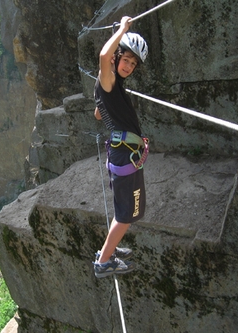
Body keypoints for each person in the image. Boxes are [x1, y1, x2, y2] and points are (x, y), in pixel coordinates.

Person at [93, 16, 149, 278]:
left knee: (122, 208)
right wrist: (122, 29)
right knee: (127, 214)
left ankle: (108, 249)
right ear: (117, 58)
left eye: (133, 63)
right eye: (126, 59)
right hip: (125, 155)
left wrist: (108, 108)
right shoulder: (108, 77)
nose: (129, 66)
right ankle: (104, 262)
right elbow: (104, 57)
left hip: (121, 151)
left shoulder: (108, 86)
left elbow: (97, 113)